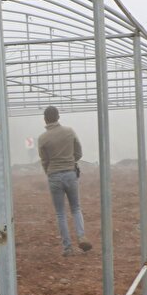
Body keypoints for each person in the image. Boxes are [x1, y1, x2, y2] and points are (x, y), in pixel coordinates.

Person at [38, 106, 92, 257]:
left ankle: (67, 248)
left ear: (45, 119)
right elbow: (79, 152)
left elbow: (44, 160)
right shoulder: (69, 132)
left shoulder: (42, 138)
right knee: (76, 208)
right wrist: (70, 161)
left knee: (60, 213)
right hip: (70, 173)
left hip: (54, 176)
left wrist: (49, 172)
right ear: (58, 117)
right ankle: (81, 236)